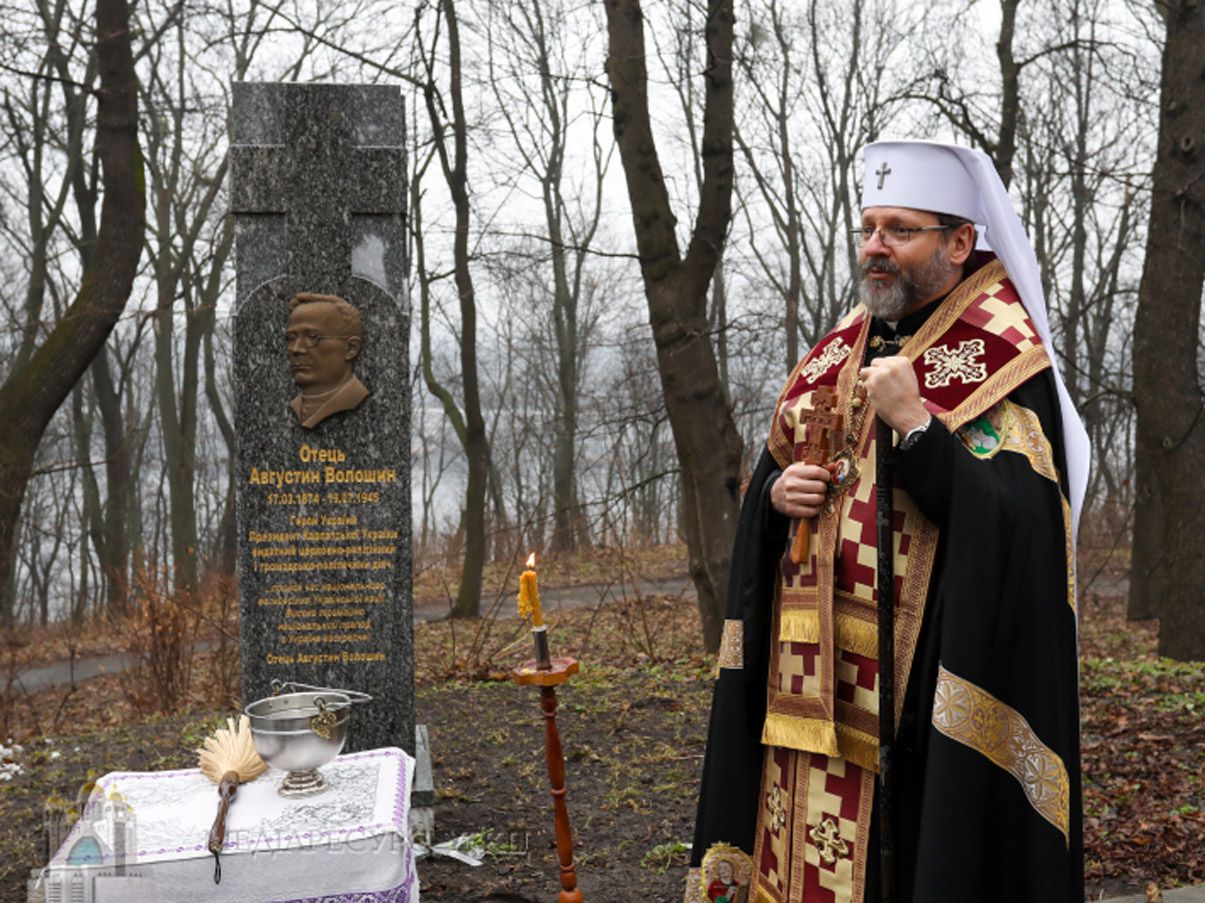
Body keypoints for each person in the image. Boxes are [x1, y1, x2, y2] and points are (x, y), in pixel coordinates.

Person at [687, 140, 1089, 903]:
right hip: (811, 688)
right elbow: (775, 475)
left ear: (959, 241)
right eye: (868, 227)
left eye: (899, 229)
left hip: (918, 701)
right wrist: (774, 501)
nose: (875, 246)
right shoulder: (839, 348)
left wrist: (917, 429)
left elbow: (1021, 528)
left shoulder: (1000, 354)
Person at [285, 292, 370, 429]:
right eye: (291, 338)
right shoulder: (294, 407)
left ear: (351, 349)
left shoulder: (360, 402)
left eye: (312, 337)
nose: (296, 349)